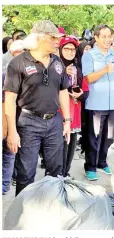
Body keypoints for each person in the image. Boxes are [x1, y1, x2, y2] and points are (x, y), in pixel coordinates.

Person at [4, 20, 70, 196]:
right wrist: (12, 131)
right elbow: (10, 99)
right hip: (28, 123)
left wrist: (67, 120)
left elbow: (63, 91)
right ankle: (23, 214)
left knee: (56, 170)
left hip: (54, 121)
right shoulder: (18, 63)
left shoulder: (57, 62)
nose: (58, 42)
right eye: (53, 38)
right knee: (26, 172)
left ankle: (54, 205)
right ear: (40, 38)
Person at [81, 24, 114, 180]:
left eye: (110, 36)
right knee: (94, 137)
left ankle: (103, 162)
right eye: (104, 36)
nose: (108, 39)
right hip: (96, 104)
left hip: (113, 103)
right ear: (96, 37)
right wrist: (104, 70)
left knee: (108, 136)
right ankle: (91, 167)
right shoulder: (89, 55)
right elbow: (88, 78)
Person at [58, 36, 85, 178]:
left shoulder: (77, 69)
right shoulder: (54, 66)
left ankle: (66, 173)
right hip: (60, 114)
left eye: (73, 49)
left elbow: (86, 90)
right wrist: (63, 72)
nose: (70, 52)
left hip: (75, 114)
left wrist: (80, 95)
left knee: (71, 146)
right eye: (66, 48)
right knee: (60, 147)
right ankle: (57, 176)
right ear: (60, 50)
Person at [2, 40, 25, 195]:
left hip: (21, 118)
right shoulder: (5, 73)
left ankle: (4, 185)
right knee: (8, 152)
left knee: (11, 152)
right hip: (6, 117)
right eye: (17, 54)